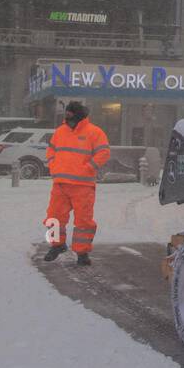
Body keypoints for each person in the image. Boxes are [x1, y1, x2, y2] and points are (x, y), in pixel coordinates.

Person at [43, 101, 110, 266]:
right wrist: (53, 164)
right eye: (67, 118)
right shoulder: (60, 131)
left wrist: (89, 167)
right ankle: (57, 245)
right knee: (54, 217)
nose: (68, 121)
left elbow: (104, 152)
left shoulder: (94, 132)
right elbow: (51, 150)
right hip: (60, 184)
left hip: (83, 185)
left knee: (83, 222)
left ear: (80, 117)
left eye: (71, 118)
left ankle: (82, 253)